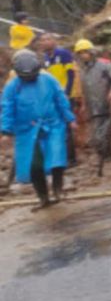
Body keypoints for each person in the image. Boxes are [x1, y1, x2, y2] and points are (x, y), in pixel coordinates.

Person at [1, 49, 76, 209]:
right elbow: (7, 108)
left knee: (56, 159)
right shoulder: (12, 87)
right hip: (27, 131)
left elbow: (60, 99)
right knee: (34, 165)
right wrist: (6, 131)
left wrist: (70, 118)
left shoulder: (48, 80)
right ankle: (43, 197)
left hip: (53, 125)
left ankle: (57, 190)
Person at [74, 39, 111, 175]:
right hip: (93, 107)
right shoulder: (82, 70)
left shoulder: (104, 65)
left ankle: (108, 158)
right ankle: (106, 156)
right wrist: (84, 104)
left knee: (103, 134)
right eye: (80, 53)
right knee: (97, 135)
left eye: (85, 52)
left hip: (106, 105)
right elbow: (84, 89)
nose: (83, 55)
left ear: (91, 52)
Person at [37, 32, 81, 166]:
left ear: (54, 41)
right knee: (57, 127)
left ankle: (71, 159)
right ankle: (59, 158)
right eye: (42, 40)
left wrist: (67, 93)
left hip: (66, 96)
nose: (44, 42)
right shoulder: (46, 59)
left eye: (47, 39)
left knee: (67, 126)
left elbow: (70, 74)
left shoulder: (63, 54)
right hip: (53, 97)